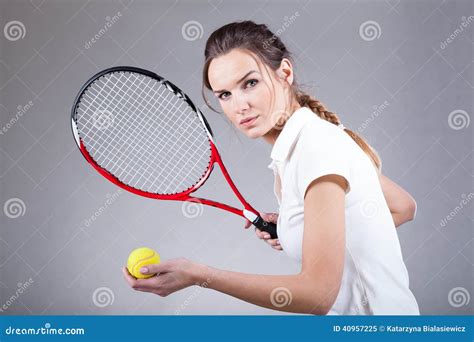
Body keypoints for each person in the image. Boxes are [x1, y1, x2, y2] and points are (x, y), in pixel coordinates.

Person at [123, 21, 419, 315]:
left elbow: (318, 296)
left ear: (285, 73)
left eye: (249, 83)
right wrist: (313, 231)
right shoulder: (306, 144)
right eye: (224, 94)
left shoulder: (316, 149)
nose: (239, 105)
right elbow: (403, 206)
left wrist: (200, 275)